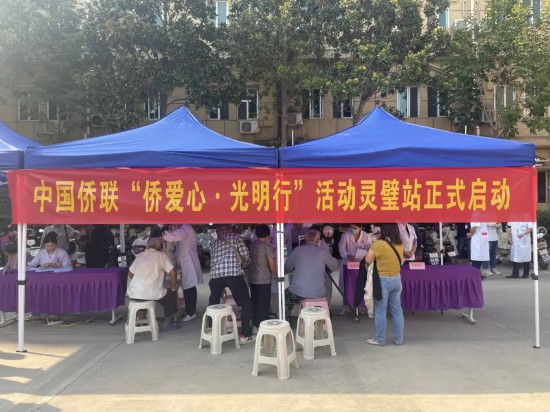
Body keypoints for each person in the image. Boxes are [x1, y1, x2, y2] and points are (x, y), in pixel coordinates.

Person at [208, 224, 254, 344]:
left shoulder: (214, 243)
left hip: (215, 276)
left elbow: (212, 260)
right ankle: (245, 335)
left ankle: (212, 332)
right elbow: (245, 254)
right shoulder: (236, 237)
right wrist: (245, 262)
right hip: (233, 274)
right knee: (245, 304)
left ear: (219, 231)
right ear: (231, 229)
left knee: (213, 304)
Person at [283, 230, 338, 322]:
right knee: (327, 284)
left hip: (298, 292)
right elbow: (334, 265)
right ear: (318, 240)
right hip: (319, 292)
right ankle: (324, 311)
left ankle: (287, 318)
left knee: (286, 295)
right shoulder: (323, 252)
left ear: (305, 240)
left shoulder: (297, 250)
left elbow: (287, 267)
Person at [127, 237, 180, 332]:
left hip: (135, 293)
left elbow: (130, 274)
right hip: (151, 293)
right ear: (160, 247)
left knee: (144, 296)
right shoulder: (161, 256)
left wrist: (140, 283)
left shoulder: (140, 255)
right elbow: (173, 273)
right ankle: (167, 324)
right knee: (171, 295)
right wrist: (172, 288)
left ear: (147, 246)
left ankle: (142, 317)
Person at [365, 223, 404, 346]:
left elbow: (368, 260)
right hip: (397, 279)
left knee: (381, 310)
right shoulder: (400, 243)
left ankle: (380, 339)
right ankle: (399, 339)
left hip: (383, 281)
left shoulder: (378, 244)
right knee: (397, 310)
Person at [163, 224, 203, 321]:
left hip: (188, 262)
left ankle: (191, 312)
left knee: (189, 288)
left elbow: (173, 236)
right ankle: (189, 310)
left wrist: (162, 237)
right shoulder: (184, 228)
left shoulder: (185, 229)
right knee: (188, 288)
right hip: (187, 262)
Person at [337, 224, 372, 315]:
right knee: (347, 285)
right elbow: (341, 249)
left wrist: (364, 254)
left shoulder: (366, 236)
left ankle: (361, 307)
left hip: (361, 263)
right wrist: (348, 255)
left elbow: (370, 248)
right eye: (351, 227)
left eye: (355, 228)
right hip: (348, 263)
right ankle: (346, 306)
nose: (353, 229)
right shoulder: (345, 235)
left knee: (361, 285)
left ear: (360, 227)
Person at [248, 224, 276, 329]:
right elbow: (271, 263)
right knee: (264, 302)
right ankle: (263, 323)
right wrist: (274, 273)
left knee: (255, 300)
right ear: (268, 235)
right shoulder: (267, 247)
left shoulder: (251, 245)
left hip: (252, 277)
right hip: (264, 279)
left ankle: (256, 320)